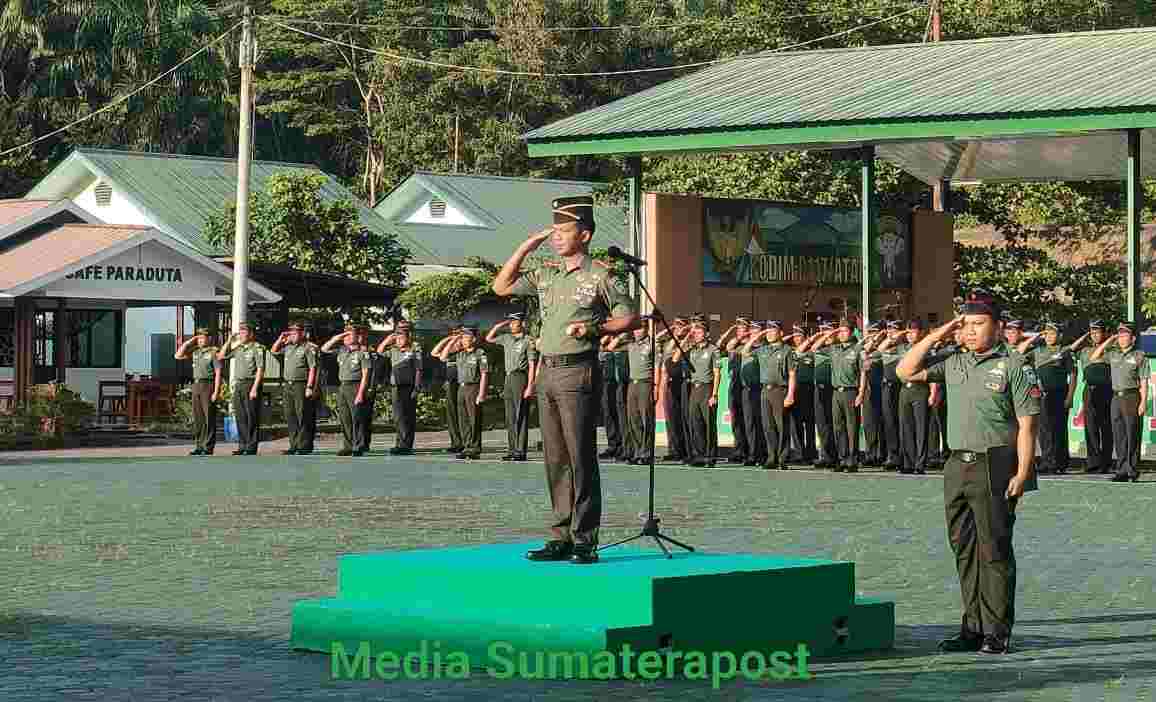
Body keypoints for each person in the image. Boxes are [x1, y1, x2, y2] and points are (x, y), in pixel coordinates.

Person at [491, 194, 637, 564]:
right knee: (555, 457)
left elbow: (628, 317)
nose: (556, 237)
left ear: (584, 235)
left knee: (580, 455)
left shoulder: (600, 275)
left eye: (564, 231)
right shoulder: (546, 274)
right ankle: (560, 535)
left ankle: (584, 538)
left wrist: (594, 328)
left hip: (578, 369)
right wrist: (527, 246)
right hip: (548, 370)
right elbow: (501, 287)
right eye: (553, 232)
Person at [898, 290, 1040, 654]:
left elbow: (1028, 426)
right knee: (964, 549)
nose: (971, 331)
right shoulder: (953, 361)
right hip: (956, 465)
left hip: (995, 464)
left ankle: (996, 632)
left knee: (993, 549)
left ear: (998, 326)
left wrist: (1023, 473)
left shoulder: (1015, 366)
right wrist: (940, 333)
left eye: (979, 324)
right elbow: (905, 370)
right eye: (966, 325)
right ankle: (972, 628)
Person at [1089, 322, 1147, 482]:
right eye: (1119, 335)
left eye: (1124, 335)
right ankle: (1121, 470)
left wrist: (1143, 402)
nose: (1121, 338)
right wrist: (1110, 339)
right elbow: (1094, 357)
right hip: (1115, 397)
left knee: (1132, 434)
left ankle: (1132, 470)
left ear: (1133, 338)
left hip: (1132, 396)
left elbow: (1144, 381)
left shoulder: (1139, 355)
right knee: (1119, 434)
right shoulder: (1113, 353)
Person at [814, 319, 866, 473]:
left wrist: (861, 392)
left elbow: (863, 372)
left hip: (851, 392)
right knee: (838, 427)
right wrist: (831, 333)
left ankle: (852, 460)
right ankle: (842, 459)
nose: (842, 334)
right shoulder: (834, 349)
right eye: (840, 331)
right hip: (836, 392)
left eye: (845, 331)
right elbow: (815, 348)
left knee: (852, 427)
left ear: (851, 332)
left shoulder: (858, 349)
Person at [1023, 322, 1075, 474]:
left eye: (1052, 333)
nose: (1049, 336)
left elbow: (1073, 375)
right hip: (1042, 394)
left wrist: (1070, 396)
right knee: (1044, 429)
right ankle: (1047, 461)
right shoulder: (1037, 351)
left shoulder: (1064, 351)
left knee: (1058, 428)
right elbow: (1019, 355)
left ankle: (1060, 462)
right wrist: (1034, 337)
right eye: (1046, 333)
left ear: (1059, 336)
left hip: (1059, 393)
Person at [747, 320, 796, 469]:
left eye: (772, 330)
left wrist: (790, 394)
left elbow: (792, 374)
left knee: (781, 426)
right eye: (767, 331)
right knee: (768, 426)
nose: (769, 334)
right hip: (765, 391)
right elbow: (745, 351)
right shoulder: (762, 349)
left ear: (780, 333)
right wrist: (759, 335)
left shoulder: (787, 350)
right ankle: (771, 457)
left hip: (780, 390)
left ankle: (782, 458)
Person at [487, 312, 537, 461]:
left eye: (514, 322)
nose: (511, 325)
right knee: (510, 416)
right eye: (510, 322)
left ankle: (520, 451)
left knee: (520, 414)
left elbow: (532, 364)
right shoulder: (506, 338)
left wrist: (530, 386)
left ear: (522, 324)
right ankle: (512, 449)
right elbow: (489, 338)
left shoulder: (528, 340)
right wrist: (499, 325)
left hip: (520, 377)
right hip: (508, 377)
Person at [434, 326, 489, 460]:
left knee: (474, 419)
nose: (463, 340)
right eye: (462, 337)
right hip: (461, 388)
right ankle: (466, 446)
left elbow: (484, 374)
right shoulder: (460, 353)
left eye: (466, 337)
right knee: (463, 419)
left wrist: (482, 393)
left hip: (473, 387)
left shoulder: (480, 353)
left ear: (473, 339)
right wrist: (454, 339)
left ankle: (475, 448)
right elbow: (442, 357)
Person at [676, 316, 723, 467]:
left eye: (699, 331)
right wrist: (687, 337)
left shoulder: (713, 350)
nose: (696, 334)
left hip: (707, 388)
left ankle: (710, 457)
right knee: (695, 423)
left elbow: (717, 373)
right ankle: (699, 455)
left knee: (708, 424)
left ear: (706, 333)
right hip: (694, 389)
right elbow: (676, 357)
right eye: (695, 331)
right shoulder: (691, 350)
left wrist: (714, 394)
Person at [1067, 320, 1113, 473]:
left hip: (1106, 390)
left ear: (1104, 333)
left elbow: (1100, 355)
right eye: (1092, 332)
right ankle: (1093, 462)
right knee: (1091, 427)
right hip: (1089, 390)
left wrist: (1108, 341)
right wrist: (1085, 335)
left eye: (1097, 332)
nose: (1095, 335)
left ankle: (1105, 463)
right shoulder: (1085, 350)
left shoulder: (1111, 350)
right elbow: (1070, 350)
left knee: (1106, 427)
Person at [894, 319, 938, 475]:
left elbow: (932, 372)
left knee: (921, 428)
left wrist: (933, 392)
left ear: (921, 333)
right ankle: (908, 462)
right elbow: (883, 346)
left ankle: (920, 463)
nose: (910, 335)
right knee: (905, 427)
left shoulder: (926, 349)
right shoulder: (902, 348)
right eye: (908, 332)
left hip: (920, 389)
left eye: (913, 332)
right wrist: (901, 334)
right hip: (904, 390)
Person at [217, 322, 266, 455]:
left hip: (251, 383)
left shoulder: (257, 348)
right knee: (240, 416)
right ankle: (242, 445)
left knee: (251, 416)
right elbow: (221, 356)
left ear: (251, 334)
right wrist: (229, 341)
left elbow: (260, 369)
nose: (241, 334)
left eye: (244, 332)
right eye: (240, 332)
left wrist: (255, 388)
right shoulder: (238, 348)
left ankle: (251, 446)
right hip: (239, 384)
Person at [611, 319, 656, 465]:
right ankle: (637, 452)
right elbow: (610, 347)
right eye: (635, 329)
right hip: (632, 384)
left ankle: (646, 453)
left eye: (640, 328)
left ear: (646, 330)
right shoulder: (631, 344)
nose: (637, 331)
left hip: (645, 383)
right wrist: (623, 334)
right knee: (633, 419)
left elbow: (657, 365)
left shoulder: (652, 344)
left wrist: (655, 387)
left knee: (646, 419)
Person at [321, 325, 370, 456]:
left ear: (357, 337)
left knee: (357, 418)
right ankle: (348, 445)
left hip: (356, 386)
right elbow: (324, 349)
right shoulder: (342, 351)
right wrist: (337, 337)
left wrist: (360, 393)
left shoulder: (362, 353)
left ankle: (358, 446)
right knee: (345, 418)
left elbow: (365, 375)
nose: (346, 337)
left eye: (349, 334)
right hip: (343, 386)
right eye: (345, 335)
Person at [270, 322, 318, 456]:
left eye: (295, 332)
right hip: (288, 385)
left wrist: (309, 386)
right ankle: (294, 444)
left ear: (302, 333)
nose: (292, 335)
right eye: (291, 332)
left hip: (301, 385)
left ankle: (304, 445)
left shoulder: (308, 348)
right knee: (290, 415)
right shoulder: (288, 347)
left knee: (302, 414)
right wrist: (280, 339)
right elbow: (273, 351)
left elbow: (313, 368)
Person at [377, 320, 423, 455]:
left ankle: (406, 445)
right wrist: (387, 340)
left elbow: (419, 370)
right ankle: (400, 443)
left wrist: (417, 387)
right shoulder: (393, 350)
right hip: (396, 386)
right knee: (398, 417)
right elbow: (379, 352)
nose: (399, 340)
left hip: (409, 386)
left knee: (408, 416)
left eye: (402, 337)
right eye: (397, 337)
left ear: (408, 338)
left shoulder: (414, 349)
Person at [175, 328, 222, 456]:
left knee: (208, 417)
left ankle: (208, 446)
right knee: (198, 418)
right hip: (196, 385)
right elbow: (177, 355)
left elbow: (218, 372)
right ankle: (199, 446)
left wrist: (216, 391)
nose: (200, 340)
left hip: (208, 385)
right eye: (199, 338)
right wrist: (190, 341)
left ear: (209, 339)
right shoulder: (195, 352)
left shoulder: (213, 352)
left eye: (203, 338)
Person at [656, 317, 691, 463]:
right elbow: (657, 340)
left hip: (683, 383)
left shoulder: (689, 342)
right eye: (676, 325)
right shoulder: (669, 343)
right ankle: (673, 449)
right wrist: (670, 330)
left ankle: (685, 450)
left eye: (680, 325)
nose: (678, 328)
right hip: (669, 383)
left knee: (683, 418)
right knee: (671, 418)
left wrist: (686, 332)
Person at [717, 318, 750, 464]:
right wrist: (731, 332)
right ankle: (739, 450)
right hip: (734, 385)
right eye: (738, 329)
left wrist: (746, 337)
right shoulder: (733, 345)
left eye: (742, 328)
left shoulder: (753, 345)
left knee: (748, 420)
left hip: (746, 386)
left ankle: (750, 450)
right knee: (736, 420)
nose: (739, 331)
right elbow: (720, 346)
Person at [807, 320, 838, 468]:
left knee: (833, 424)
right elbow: (813, 347)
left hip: (832, 389)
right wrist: (822, 335)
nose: (826, 334)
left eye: (828, 330)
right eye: (823, 330)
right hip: (819, 389)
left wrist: (829, 335)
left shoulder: (836, 348)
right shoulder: (820, 347)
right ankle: (825, 455)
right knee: (821, 424)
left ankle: (835, 455)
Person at [876, 320, 906, 471]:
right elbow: (879, 349)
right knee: (889, 422)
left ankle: (904, 455)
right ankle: (892, 455)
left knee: (902, 422)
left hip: (901, 386)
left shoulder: (905, 347)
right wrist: (890, 338)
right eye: (889, 330)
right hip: (887, 387)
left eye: (894, 330)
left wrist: (900, 336)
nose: (891, 333)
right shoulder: (886, 346)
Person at [432, 327, 465, 454]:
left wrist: (457, 340)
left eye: (459, 334)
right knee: (452, 414)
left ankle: (465, 441)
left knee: (462, 412)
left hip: (462, 383)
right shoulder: (450, 350)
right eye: (454, 334)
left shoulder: (465, 349)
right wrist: (450, 339)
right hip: (451, 383)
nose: (457, 337)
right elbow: (435, 353)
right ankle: (456, 443)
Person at [860, 322, 888, 467]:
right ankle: (870, 454)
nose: (872, 335)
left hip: (883, 389)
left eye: (875, 332)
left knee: (883, 422)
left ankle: (883, 454)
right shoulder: (865, 350)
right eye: (870, 332)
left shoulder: (885, 348)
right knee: (869, 423)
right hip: (869, 390)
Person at [787, 323, 816, 464]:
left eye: (799, 336)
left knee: (809, 423)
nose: (796, 338)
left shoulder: (813, 351)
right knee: (796, 423)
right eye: (795, 336)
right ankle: (799, 453)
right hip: (795, 389)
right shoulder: (791, 352)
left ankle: (811, 453)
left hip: (809, 390)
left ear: (806, 337)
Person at [596, 333, 624, 461]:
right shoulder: (603, 346)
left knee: (618, 414)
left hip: (616, 383)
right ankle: (613, 445)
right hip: (605, 383)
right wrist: (605, 338)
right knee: (608, 414)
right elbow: (599, 348)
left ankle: (621, 446)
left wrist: (615, 338)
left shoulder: (622, 344)